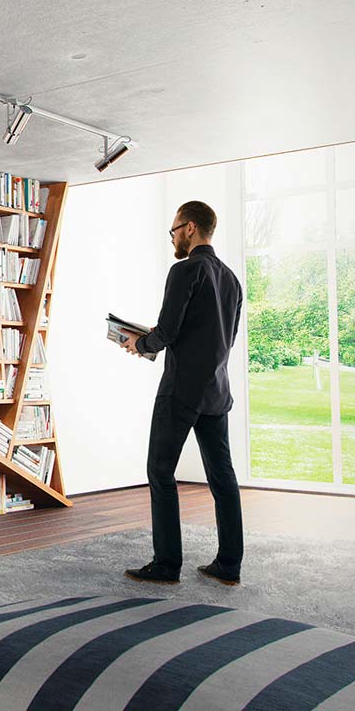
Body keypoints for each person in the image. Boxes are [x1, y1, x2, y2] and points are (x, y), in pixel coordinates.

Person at [121, 200, 244, 586]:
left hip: (180, 391)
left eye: (174, 230)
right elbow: (225, 339)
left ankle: (166, 564)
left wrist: (140, 345)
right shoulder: (231, 280)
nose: (172, 237)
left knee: (160, 471)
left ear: (189, 228)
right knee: (222, 477)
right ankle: (228, 565)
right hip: (216, 391)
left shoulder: (185, 269)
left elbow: (168, 331)